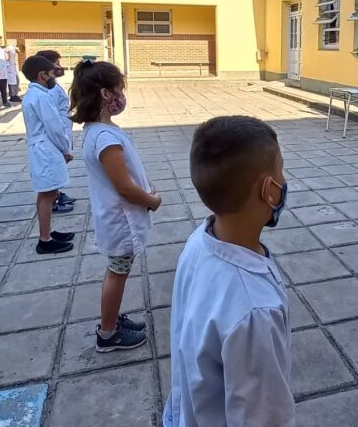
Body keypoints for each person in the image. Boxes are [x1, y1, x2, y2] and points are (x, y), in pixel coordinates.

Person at [164, 115, 292, 426]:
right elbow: (263, 417)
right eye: (281, 170)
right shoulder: (255, 310)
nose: (285, 178)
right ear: (269, 190)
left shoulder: (200, 240)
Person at [72, 59, 159, 351]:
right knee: (117, 273)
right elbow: (123, 186)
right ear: (106, 94)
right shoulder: (105, 137)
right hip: (121, 219)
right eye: (119, 89)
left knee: (117, 271)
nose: (122, 96)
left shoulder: (98, 130)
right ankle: (108, 334)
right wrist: (152, 200)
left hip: (117, 216)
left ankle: (111, 319)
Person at [19, 55, 78, 257]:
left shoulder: (35, 94)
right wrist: (65, 149)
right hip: (47, 148)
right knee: (47, 194)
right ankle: (45, 240)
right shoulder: (42, 97)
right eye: (52, 72)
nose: (54, 76)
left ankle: (48, 232)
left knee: (48, 193)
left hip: (43, 147)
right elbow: (54, 127)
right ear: (42, 75)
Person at [37, 50, 79, 208]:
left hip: (62, 131)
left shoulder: (52, 85)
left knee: (59, 167)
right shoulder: (48, 90)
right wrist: (64, 146)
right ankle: (52, 198)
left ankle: (57, 193)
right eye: (56, 64)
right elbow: (51, 120)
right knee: (54, 169)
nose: (60, 67)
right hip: (56, 136)